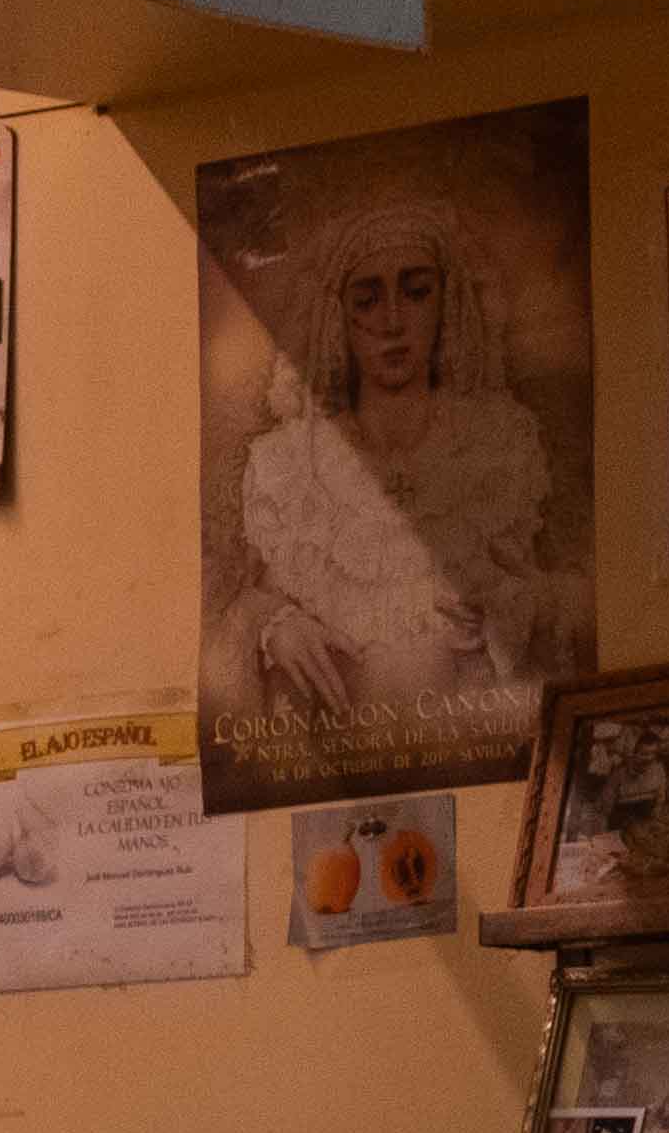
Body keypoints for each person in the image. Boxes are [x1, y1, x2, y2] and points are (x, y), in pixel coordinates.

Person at [211, 196, 586, 735]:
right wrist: (273, 624)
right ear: (339, 316)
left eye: (415, 294)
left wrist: (514, 607)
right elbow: (234, 607)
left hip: (473, 741)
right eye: (367, 300)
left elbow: (561, 604)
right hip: (331, 754)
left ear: (446, 302)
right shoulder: (286, 466)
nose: (392, 323)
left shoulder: (503, 446)